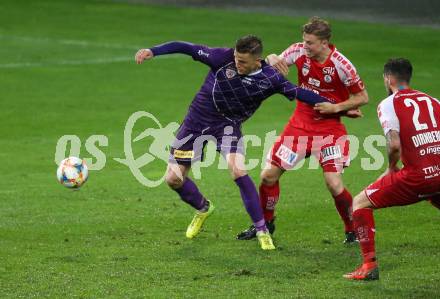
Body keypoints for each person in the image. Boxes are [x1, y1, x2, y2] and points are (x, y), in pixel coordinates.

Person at [135, 35, 330, 250]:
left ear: (257, 61)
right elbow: (186, 47)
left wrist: (340, 106)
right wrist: (153, 51)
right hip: (196, 121)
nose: (237, 63)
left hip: (227, 126)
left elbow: (301, 93)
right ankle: (203, 207)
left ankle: (262, 230)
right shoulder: (221, 57)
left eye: (243, 61)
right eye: (237, 58)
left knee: (238, 170)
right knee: (173, 179)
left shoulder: (270, 78)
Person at [236, 17, 369, 243]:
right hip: (299, 126)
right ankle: (265, 224)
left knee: (334, 184)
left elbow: (362, 97)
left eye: (310, 43)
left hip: (329, 131)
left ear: (324, 43)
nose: (305, 46)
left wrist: (337, 107)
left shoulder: (342, 65)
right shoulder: (299, 52)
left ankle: (351, 228)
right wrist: (271, 58)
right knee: (268, 175)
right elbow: (272, 62)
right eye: (304, 41)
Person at [344, 58, 440, 280]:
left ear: (388, 79)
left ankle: (369, 266)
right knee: (434, 195)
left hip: (417, 177)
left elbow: (394, 144)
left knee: (359, 203)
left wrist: (391, 167)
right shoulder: (433, 101)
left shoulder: (388, 104)